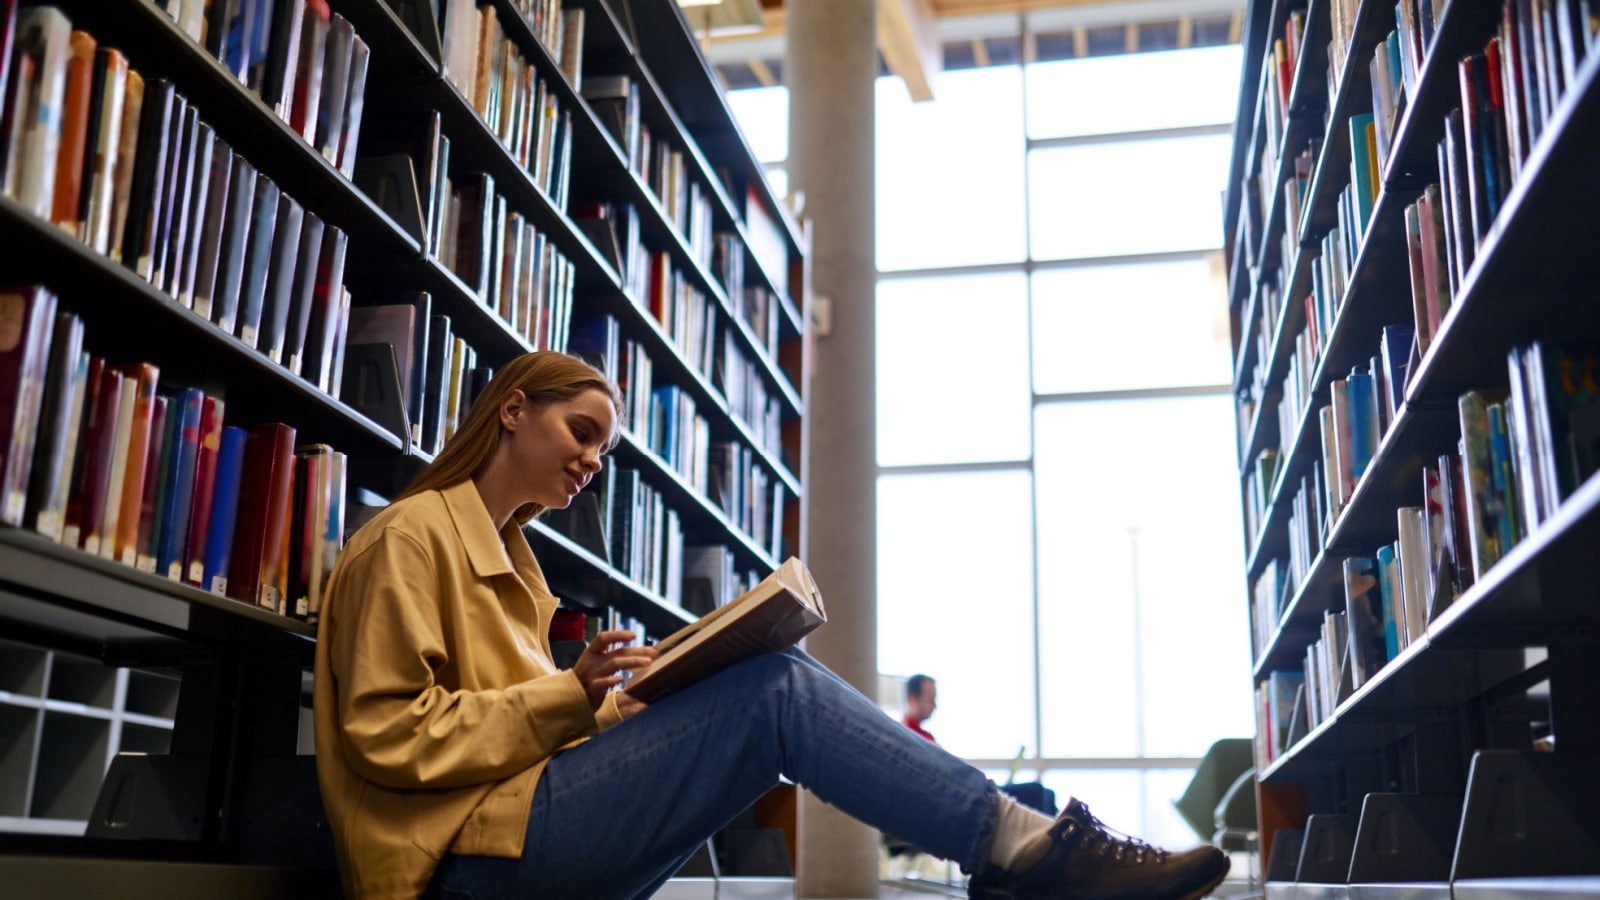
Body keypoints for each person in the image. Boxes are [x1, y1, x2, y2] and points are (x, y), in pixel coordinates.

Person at [313, 351, 1229, 900]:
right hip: (454, 872)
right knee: (774, 690)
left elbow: (507, 729)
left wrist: (605, 711)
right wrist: (565, 699)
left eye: (605, 449)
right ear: (512, 409)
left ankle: (1019, 847)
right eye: (583, 431)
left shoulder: (518, 564)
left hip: (502, 841)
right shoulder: (410, 537)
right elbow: (388, 734)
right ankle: (1029, 848)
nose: (593, 459)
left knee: (751, 686)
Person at [903, 673, 938, 742]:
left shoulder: (927, 737)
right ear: (913, 699)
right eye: (930, 700)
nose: (934, 706)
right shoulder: (904, 736)